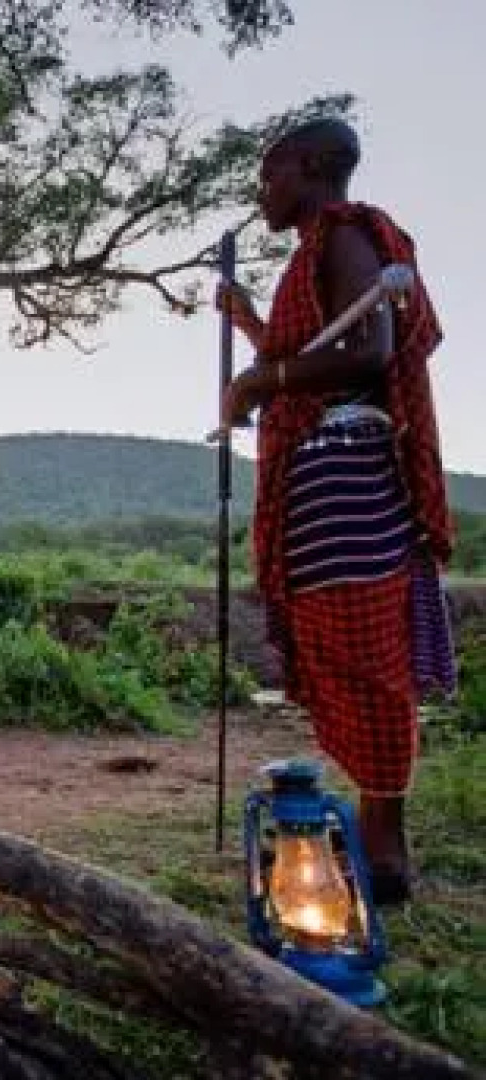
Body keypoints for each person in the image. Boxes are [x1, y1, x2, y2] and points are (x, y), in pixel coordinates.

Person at [218, 118, 455, 905]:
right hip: (317, 475)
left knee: (365, 651)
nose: (263, 192)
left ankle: (385, 851)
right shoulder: (313, 254)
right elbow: (318, 350)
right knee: (335, 644)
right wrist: (250, 324)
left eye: (272, 174)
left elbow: (367, 351)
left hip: (347, 472)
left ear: (313, 167)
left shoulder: (348, 234)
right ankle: (376, 836)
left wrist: (258, 381)